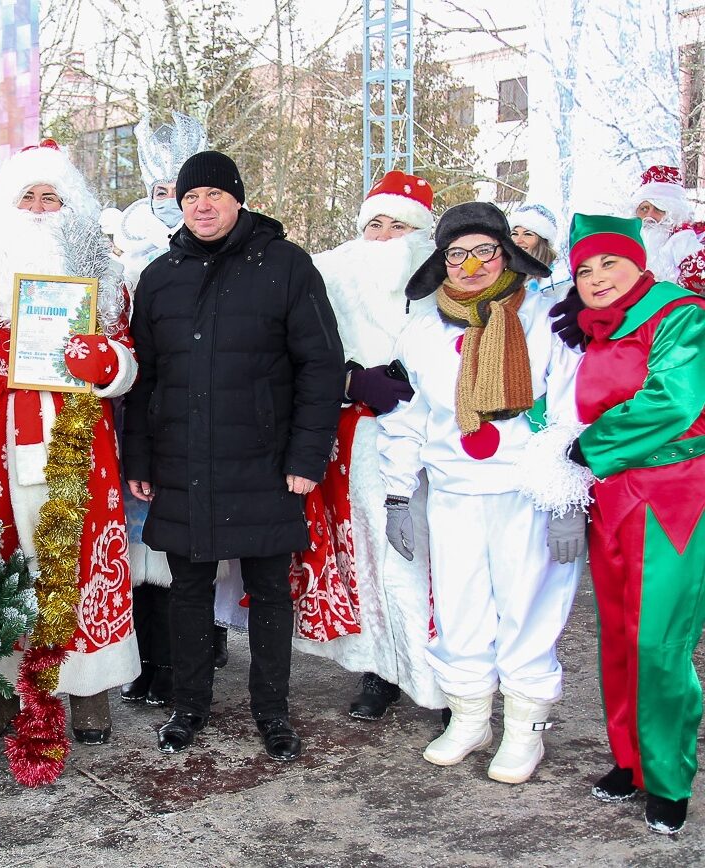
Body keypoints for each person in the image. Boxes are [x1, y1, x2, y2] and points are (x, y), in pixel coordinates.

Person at [0, 141, 140, 748]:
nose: (40, 207)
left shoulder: (101, 269)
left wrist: (108, 362)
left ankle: (89, 686)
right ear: (6, 205)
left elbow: (127, 354)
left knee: (80, 553)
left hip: (75, 431)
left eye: (52, 196)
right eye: (29, 196)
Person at [124, 150, 345, 761]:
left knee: (270, 589)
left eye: (214, 196)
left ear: (238, 200)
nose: (201, 206)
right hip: (180, 462)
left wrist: (307, 456)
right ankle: (188, 706)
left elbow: (321, 364)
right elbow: (145, 379)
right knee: (188, 589)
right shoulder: (160, 276)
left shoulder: (286, 265)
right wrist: (139, 461)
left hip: (265, 462)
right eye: (191, 197)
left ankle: (272, 710)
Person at [380, 201, 585, 784]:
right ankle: (471, 716)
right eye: (456, 254)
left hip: (527, 491)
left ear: (508, 255)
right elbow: (405, 416)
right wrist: (399, 495)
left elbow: (570, 411)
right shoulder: (422, 328)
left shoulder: (546, 319)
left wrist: (567, 496)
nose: (471, 266)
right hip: (454, 493)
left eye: (484, 252)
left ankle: (525, 732)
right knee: (461, 607)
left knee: (529, 610)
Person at [564, 214, 705, 835]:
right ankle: (630, 760)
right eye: (584, 270)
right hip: (614, 499)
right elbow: (569, 398)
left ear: (639, 264)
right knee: (619, 632)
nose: (595, 279)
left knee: (660, 642)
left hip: (674, 499)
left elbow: (674, 401)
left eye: (608, 264)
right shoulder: (599, 329)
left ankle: (669, 778)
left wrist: (591, 445)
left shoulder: (682, 314)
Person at [294, 171, 443, 722]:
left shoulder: (446, 283)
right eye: (373, 224)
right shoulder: (333, 278)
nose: (382, 237)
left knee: (424, 559)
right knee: (366, 555)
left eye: (398, 225)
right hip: (355, 440)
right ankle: (380, 669)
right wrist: (352, 379)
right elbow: (304, 353)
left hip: (431, 445)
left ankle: (448, 681)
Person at [102, 112, 230, 707]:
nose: (169, 204)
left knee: (189, 555)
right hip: (133, 422)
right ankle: (148, 658)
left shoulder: (213, 260)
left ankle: (190, 659)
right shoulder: (127, 265)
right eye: (161, 194)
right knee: (140, 552)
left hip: (195, 426)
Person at [627, 165, 705, 292]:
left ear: (674, 214)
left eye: (659, 209)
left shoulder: (684, 241)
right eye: (644, 209)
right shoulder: (628, 242)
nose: (649, 216)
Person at [509, 203, 572, 297]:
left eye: (527, 234)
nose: (518, 240)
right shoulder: (503, 270)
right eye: (514, 234)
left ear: (542, 240)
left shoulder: (559, 279)